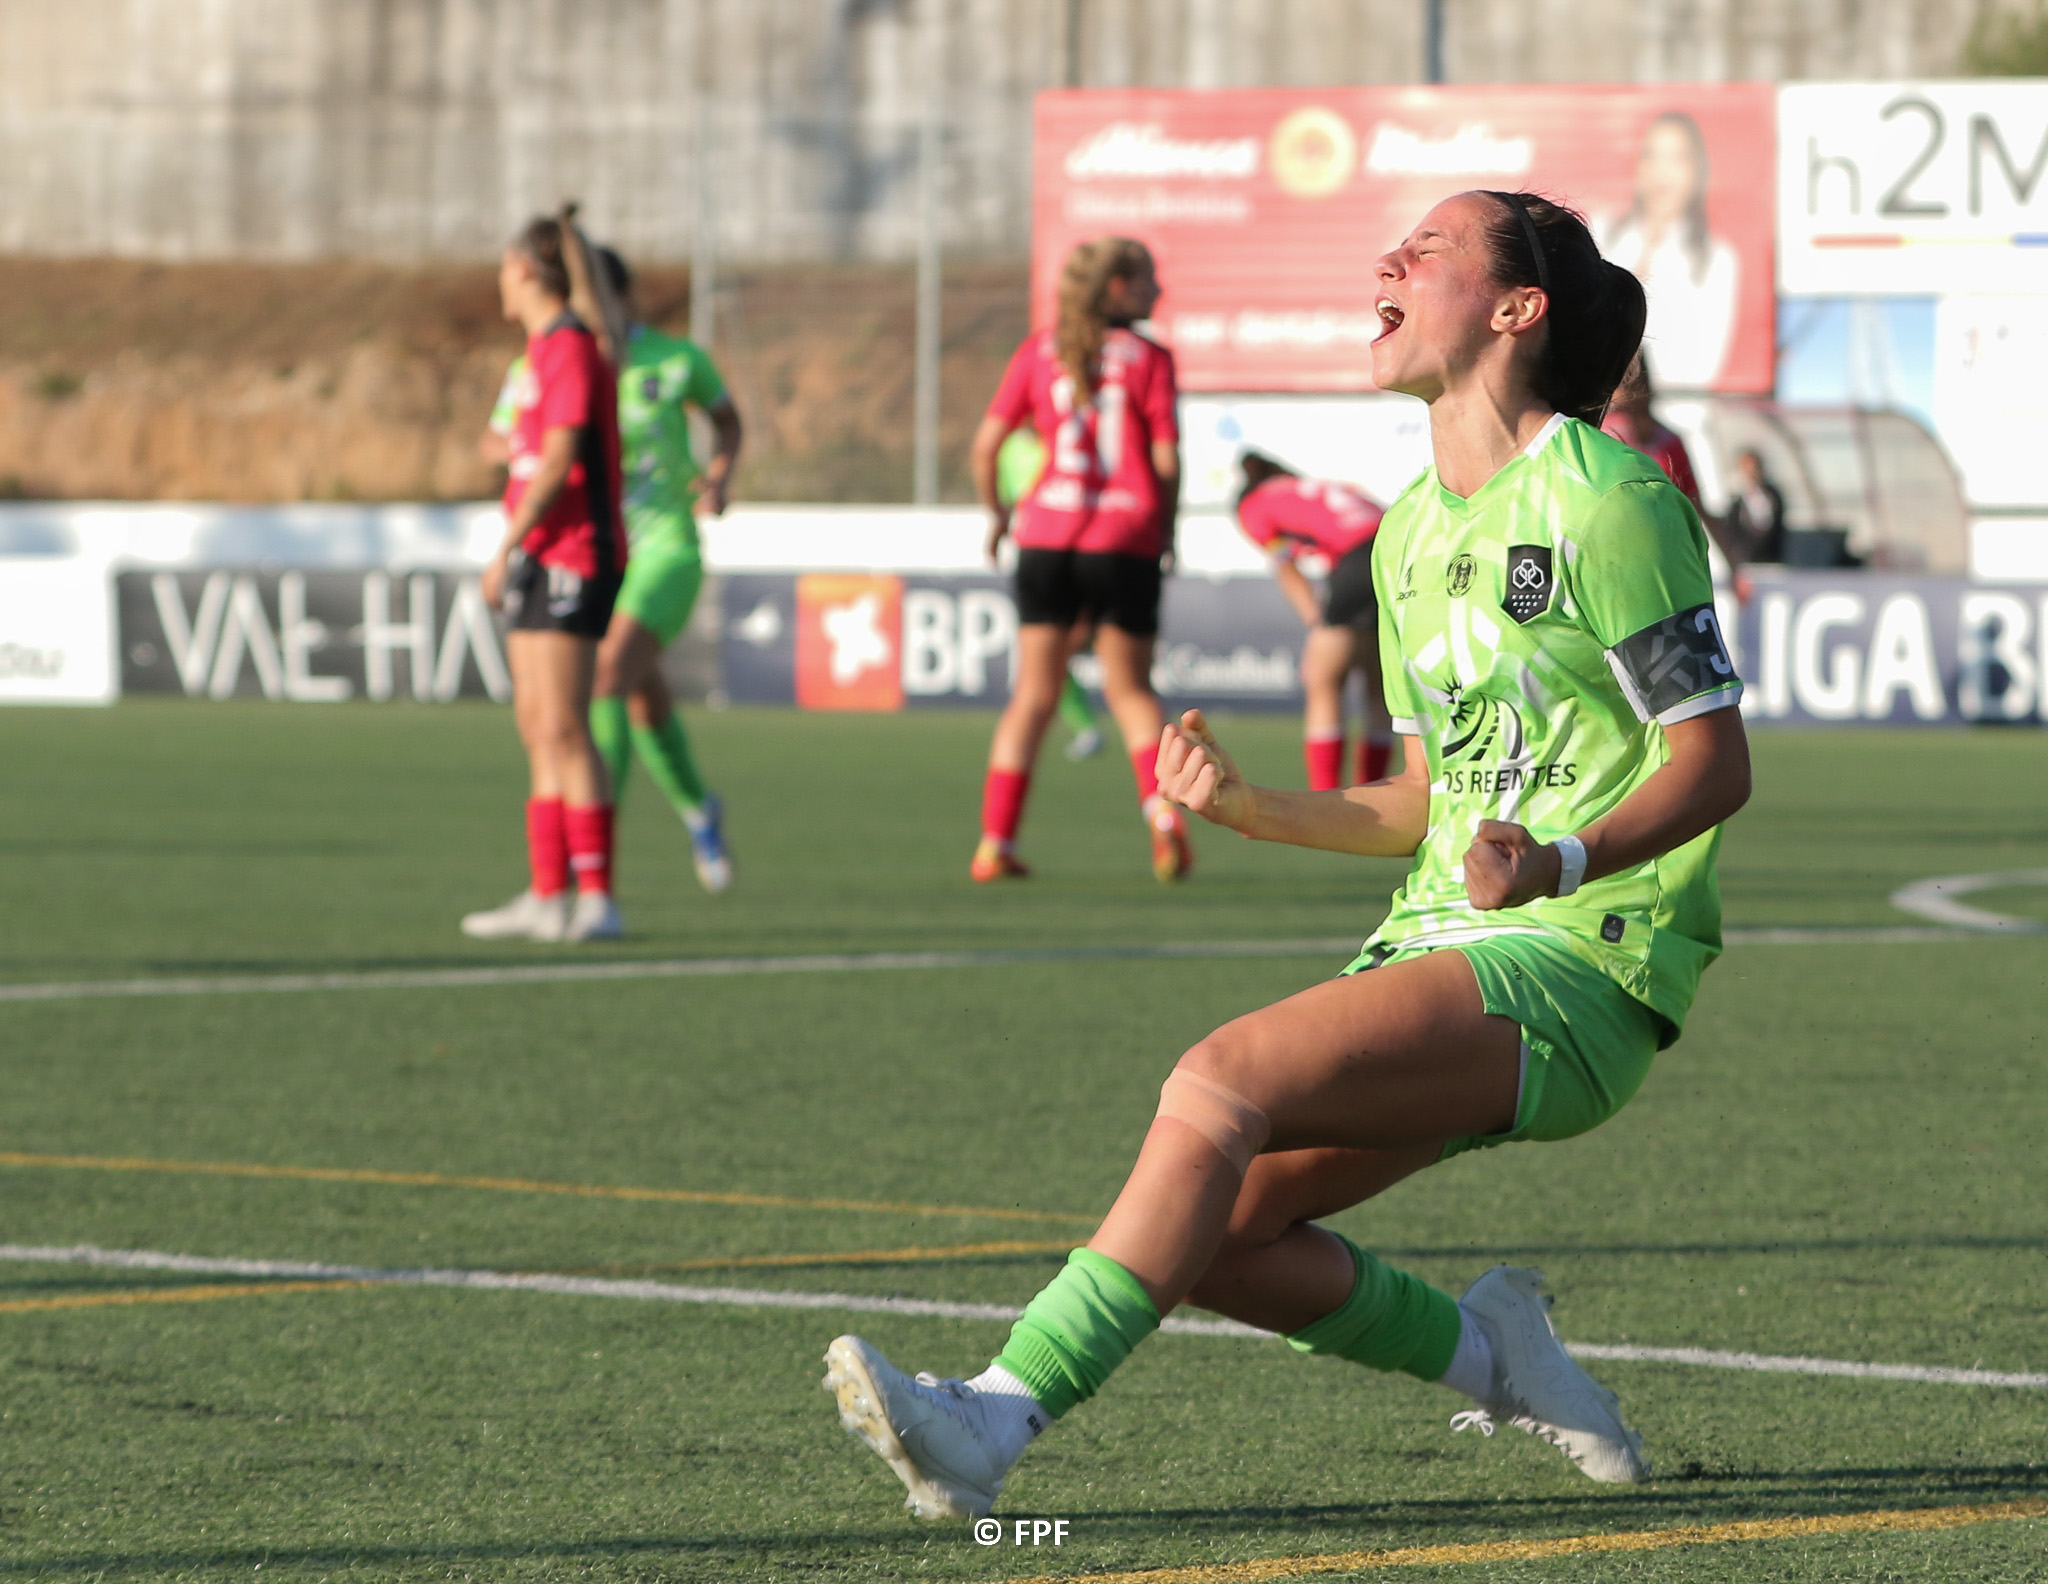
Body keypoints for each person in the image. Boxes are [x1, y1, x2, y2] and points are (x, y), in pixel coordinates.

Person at [823, 190, 1751, 1519]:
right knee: (1216, 1232)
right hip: (1441, 941)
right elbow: (1427, 801)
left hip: (1583, 959)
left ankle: (991, 1420)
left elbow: (1713, 762)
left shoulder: (1612, 503)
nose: (1390, 259)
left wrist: (1556, 858)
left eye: (1430, 247)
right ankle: (1499, 1359)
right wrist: (1252, 807)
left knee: (1219, 1080)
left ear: (1515, 309)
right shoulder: (1410, 534)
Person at [965, 237, 1190, 884]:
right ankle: (1163, 819)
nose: (1159, 290)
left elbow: (986, 446)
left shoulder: (1041, 349)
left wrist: (999, 515)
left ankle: (994, 843)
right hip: (1124, 537)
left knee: (1033, 694)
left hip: (1045, 537)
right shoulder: (1151, 358)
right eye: (1148, 280)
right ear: (1118, 287)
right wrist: (1166, 527)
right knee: (1130, 690)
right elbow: (1166, 459)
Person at [462, 218, 629, 943]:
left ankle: (598, 898)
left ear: (528, 271)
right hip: (539, 550)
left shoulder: (569, 346)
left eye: (505, 266)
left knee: (565, 725)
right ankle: (546, 892)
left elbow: (561, 460)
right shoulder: (537, 353)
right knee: (536, 725)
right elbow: (516, 447)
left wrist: (506, 546)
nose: (500, 279)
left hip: (574, 553)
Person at [1233, 452, 1391, 791]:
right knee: (1379, 688)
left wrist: (1317, 622)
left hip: (1358, 557)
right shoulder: (1308, 488)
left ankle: (1327, 797)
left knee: (1322, 678)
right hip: (1397, 548)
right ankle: (1376, 793)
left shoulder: (1253, 506)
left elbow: (1284, 564)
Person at [1597, 111, 1739, 389]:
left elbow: (1702, 367)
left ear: (1697, 169)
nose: (1662, 172)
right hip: (1602, 404)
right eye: (1652, 156)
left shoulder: (1715, 259)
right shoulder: (1602, 231)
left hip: (1675, 409)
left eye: (1677, 158)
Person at [1601, 353, 1753, 599]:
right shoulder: (1603, 433)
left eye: (1629, 383)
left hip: (1662, 569)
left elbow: (1698, 508)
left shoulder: (1669, 442)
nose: (1619, 394)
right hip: (1612, 566)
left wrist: (1734, 568)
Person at [997, 425, 1104, 762]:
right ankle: (1086, 728)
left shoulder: (1062, 434)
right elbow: (1007, 496)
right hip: (1041, 555)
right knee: (1045, 669)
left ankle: (1088, 729)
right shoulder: (1012, 447)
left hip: (1073, 553)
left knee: (1125, 684)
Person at [1725, 448, 1787, 564]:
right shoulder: (1737, 500)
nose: (1750, 473)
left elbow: (1770, 525)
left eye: (1753, 468)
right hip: (1744, 560)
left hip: (1770, 558)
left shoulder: (1771, 496)